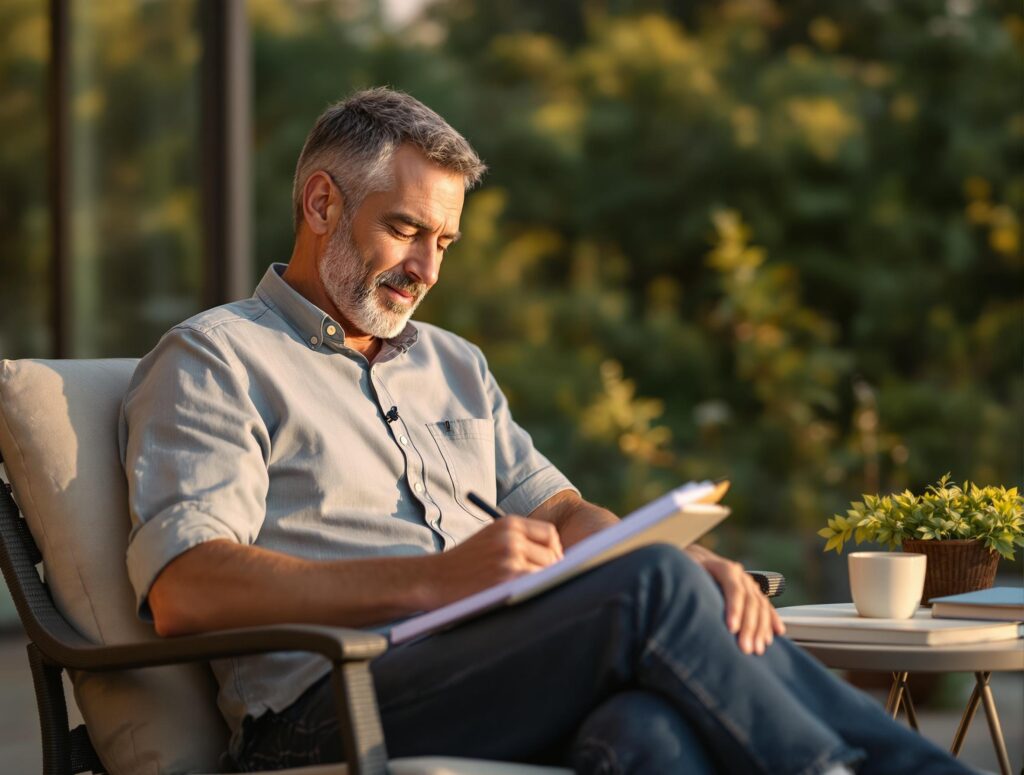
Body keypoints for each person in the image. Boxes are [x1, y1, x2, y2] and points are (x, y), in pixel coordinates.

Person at [122, 88, 972, 774]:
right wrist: (435, 581)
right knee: (650, 587)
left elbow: (565, 513)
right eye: (406, 230)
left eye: (445, 242)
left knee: (649, 734)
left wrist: (670, 551)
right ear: (320, 202)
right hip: (328, 707)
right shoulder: (216, 358)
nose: (427, 270)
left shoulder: (453, 364)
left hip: (496, 666)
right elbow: (187, 588)